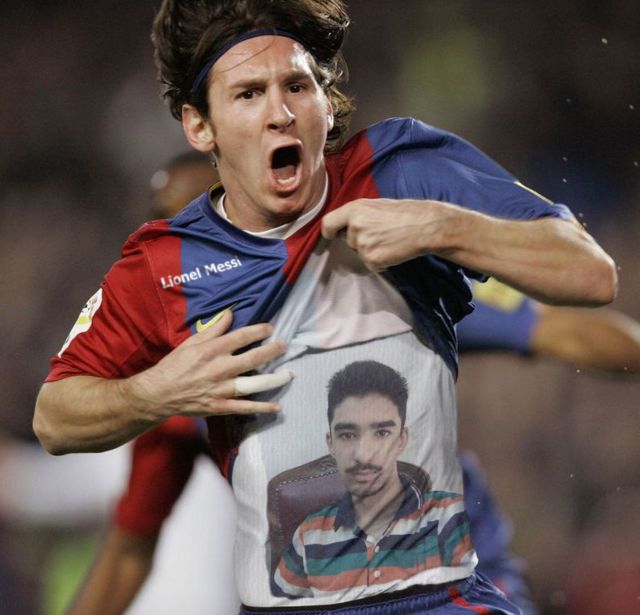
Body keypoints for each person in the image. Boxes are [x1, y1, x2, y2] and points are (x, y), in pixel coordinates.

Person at [33, 1, 618, 613]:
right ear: (200, 126)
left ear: (326, 101)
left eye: (297, 86)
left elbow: (590, 273)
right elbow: (55, 417)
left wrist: (441, 225)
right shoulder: (164, 264)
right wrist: (156, 391)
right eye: (249, 94)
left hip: (436, 598)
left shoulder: (397, 173)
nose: (281, 113)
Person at [273, 360, 469, 598]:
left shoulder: (448, 518)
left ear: (402, 439)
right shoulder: (309, 535)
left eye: (382, 433)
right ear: (331, 443)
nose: (363, 455)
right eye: (347, 435)